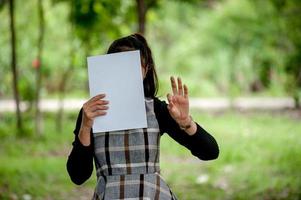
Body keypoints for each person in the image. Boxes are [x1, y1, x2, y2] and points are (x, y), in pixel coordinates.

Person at [67, 33, 219, 200]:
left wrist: (186, 122)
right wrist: (86, 127)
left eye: (132, 65)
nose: (124, 72)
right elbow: (78, 176)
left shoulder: (157, 109)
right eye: (118, 64)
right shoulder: (91, 113)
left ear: (145, 70)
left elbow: (210, 152)